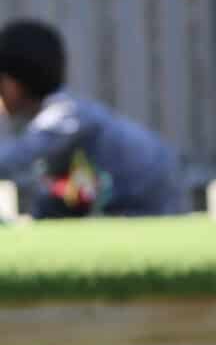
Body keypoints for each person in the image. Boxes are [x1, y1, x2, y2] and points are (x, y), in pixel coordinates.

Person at [0, 19, 185, 219]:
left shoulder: (65, 115)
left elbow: (14, 158)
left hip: (147, 209)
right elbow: (61, 193)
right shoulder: (58, 118)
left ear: (13, 83)